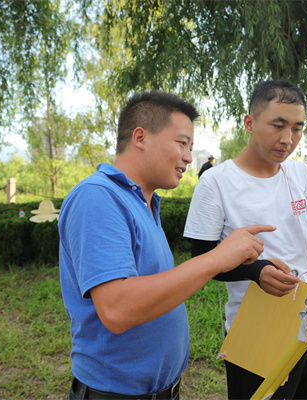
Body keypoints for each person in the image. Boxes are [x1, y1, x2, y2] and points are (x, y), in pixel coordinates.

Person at [59, 90, 276, 400]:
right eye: (181, 143)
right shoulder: (98, 197)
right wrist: (217, 258)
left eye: (191, 147)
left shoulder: (144, 202)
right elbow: (117, 309)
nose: (188, 157)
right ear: (140, 137)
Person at [184, 80, 307, 399]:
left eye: (297, 128)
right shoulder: (216, 182)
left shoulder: (301, 174)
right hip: (257, 333)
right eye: (278, 125)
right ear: (250, 122)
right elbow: (201, 261)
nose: (288, 139)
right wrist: (255, 271)